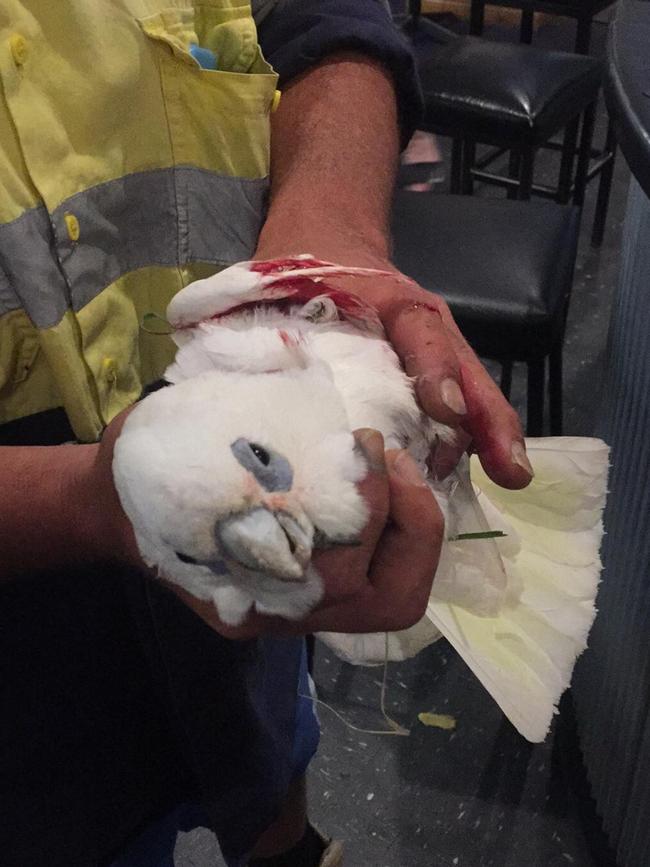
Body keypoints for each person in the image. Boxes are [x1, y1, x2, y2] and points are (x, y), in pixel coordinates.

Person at [0, 2, 533, 865]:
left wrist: (327, 247)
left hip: (244, 582)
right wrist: (83, 505)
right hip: (29, 675)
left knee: (268, 744)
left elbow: (330, 17)